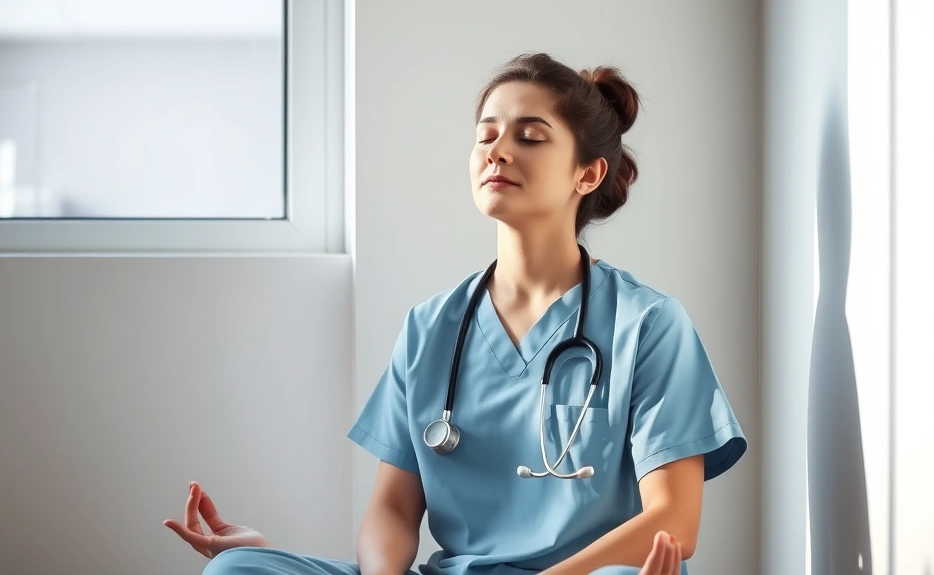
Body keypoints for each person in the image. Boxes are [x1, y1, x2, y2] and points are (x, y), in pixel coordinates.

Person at [165, 52, 747, 575]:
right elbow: (392, 510)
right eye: (486, 135)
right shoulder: (430, 327)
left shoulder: (647, 324)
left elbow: (674, 518)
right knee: (239, 569)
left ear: (587, 173)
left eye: (531, 136)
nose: (497, 150)